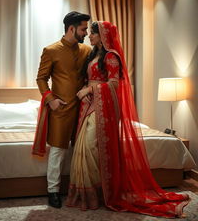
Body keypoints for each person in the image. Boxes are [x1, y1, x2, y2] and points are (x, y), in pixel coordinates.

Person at [65, 21, 190, 218]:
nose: (90, 36)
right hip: (88, 105)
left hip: (102, 107)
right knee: (83, 147)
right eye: (89, 33)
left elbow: (114, 84)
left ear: (103, 35)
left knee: (90, 145)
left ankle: (102, 193)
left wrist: (90, 89)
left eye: (93, 33)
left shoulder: (111, 56)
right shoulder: (93, 54)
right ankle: (90, 195)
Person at [32, 11, 91, 208]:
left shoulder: (86, 50)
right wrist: (50, 100)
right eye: (83, 28)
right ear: (71, 28)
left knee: (80, 150)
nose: (86, 32)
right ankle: (53, 191)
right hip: (61, 109)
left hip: (83, 109)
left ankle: (78, 188)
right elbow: (41, 78)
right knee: (57, 151)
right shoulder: (51, 50)